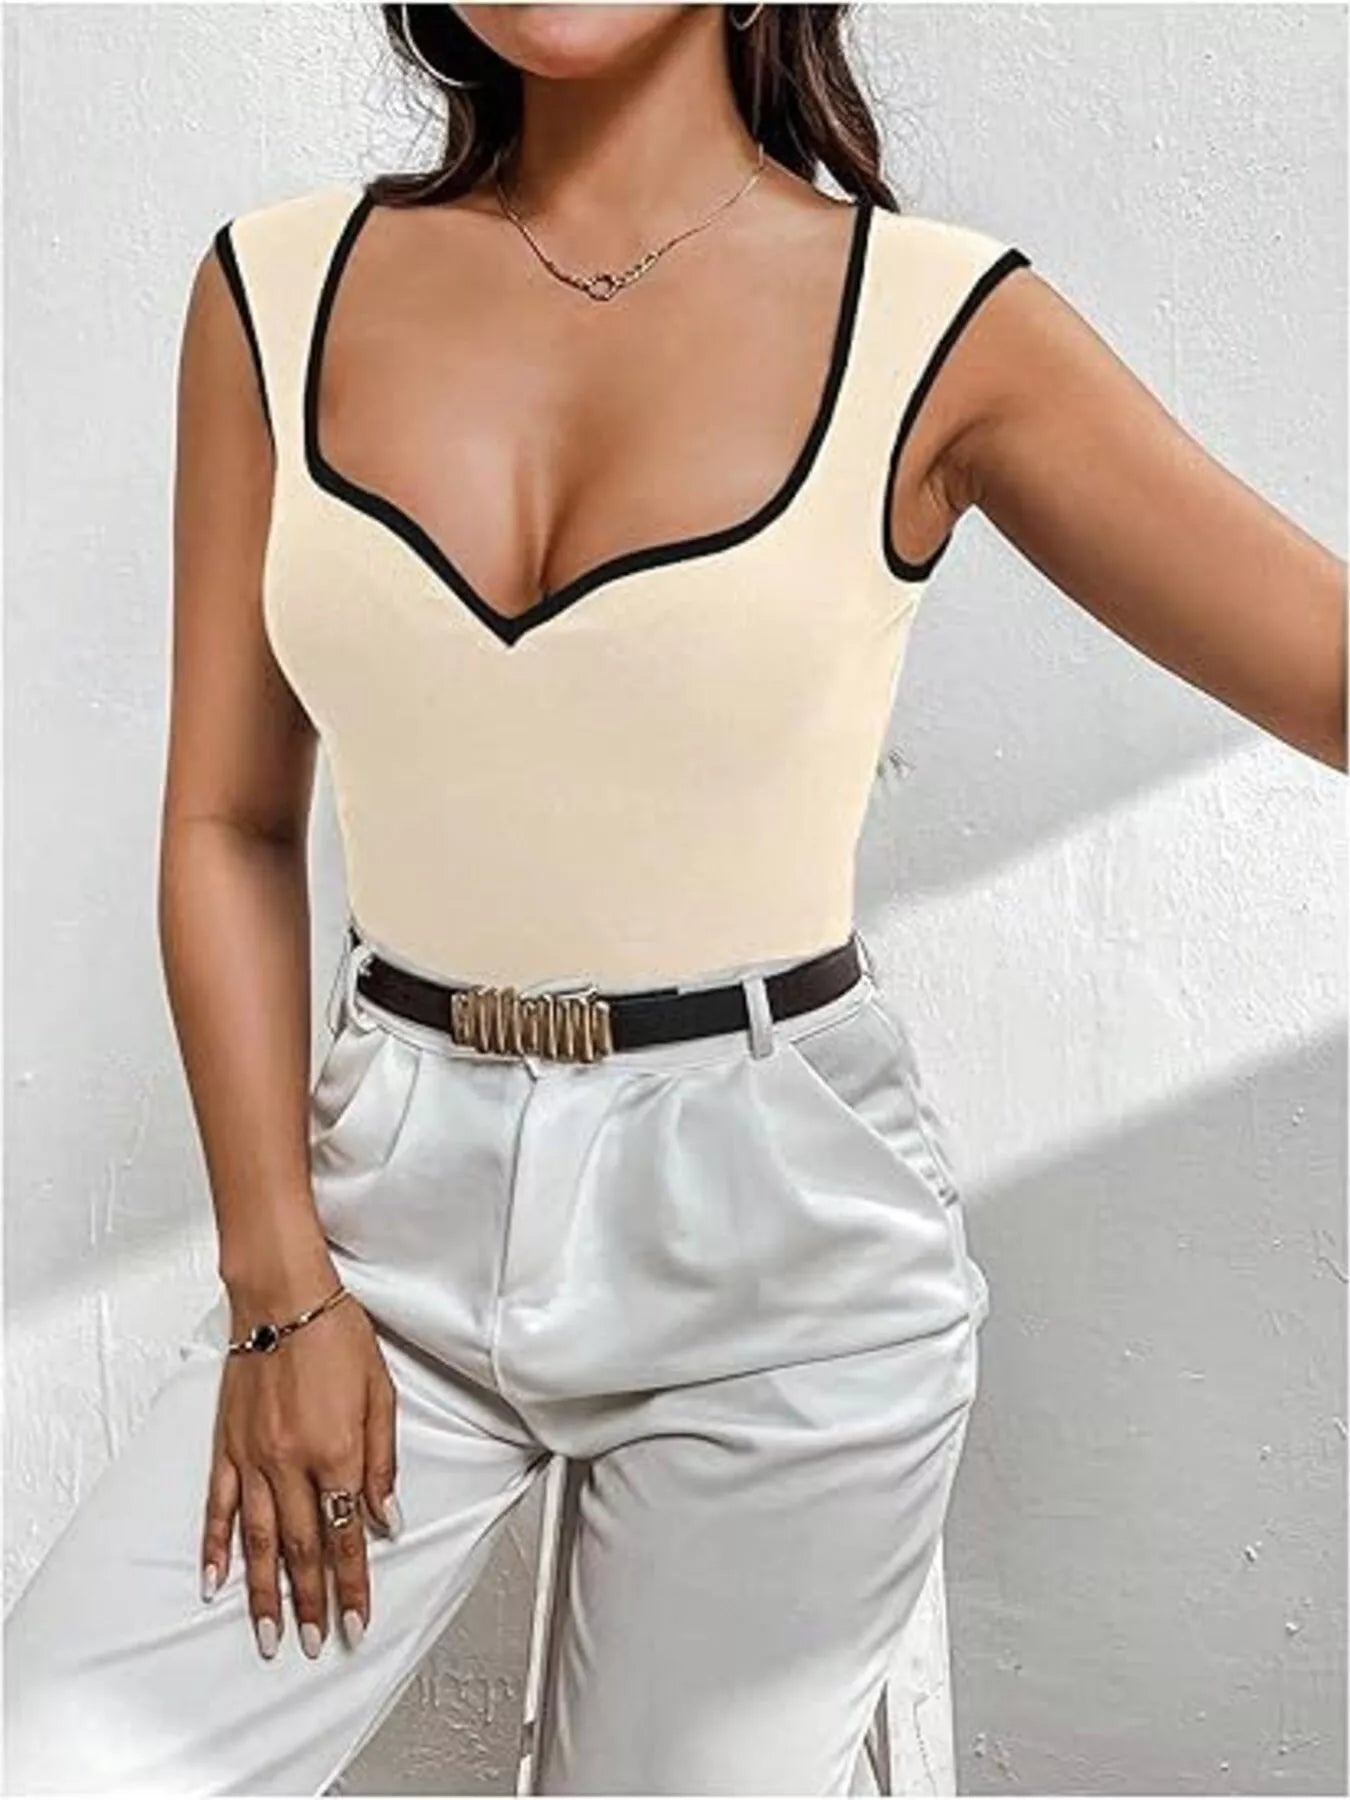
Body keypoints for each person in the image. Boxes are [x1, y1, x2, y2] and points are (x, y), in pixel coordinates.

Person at [5, 4, 1344, 1795]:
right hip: (375, 1235)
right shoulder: (272, 293)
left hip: (785, 1259)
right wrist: (279, 1287)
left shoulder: (935, 326)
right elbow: (232, 822)